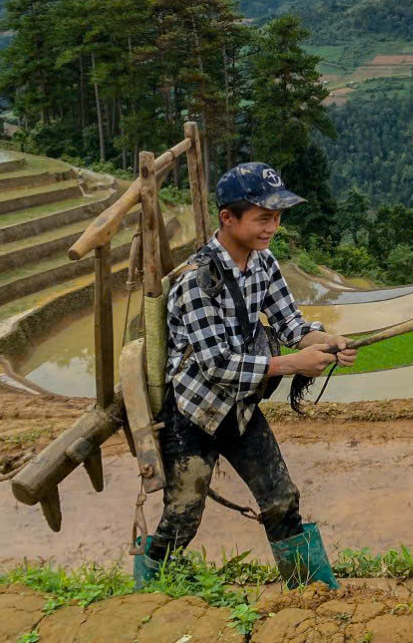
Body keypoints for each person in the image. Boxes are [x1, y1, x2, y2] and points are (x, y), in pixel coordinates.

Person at [135, 162, 358, 588]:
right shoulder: (196, 282)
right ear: (228, 218)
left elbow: (292, 326)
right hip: (194, 414)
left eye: (277, 217)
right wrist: (294, 364)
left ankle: (312, 595)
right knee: (183, 514)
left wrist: (327, 341)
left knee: (281, 499)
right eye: (262, 217)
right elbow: (217, 366)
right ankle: (149, 591)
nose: (272, 227)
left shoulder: (263, 262)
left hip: (239, 410)